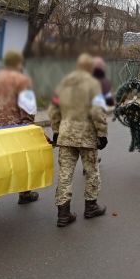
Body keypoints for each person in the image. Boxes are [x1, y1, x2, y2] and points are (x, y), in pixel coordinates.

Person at [49, 53, 108, 227]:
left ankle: (63, 213)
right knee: (91, 172)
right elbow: (98, 112)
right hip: (86, 136)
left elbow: (53, 109)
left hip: (66, 135)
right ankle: (91, 206)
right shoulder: (93, 84)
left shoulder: (62, 84)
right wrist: (102, 133)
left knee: (65, 174)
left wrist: (55, 130)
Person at [0, 50, 39, 212]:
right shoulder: (22, 79)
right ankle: (25, 194)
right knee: (23, 161)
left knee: (0, 162)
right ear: (18, 63)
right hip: (16, 127)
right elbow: (28, 106)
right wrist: (29, 125)